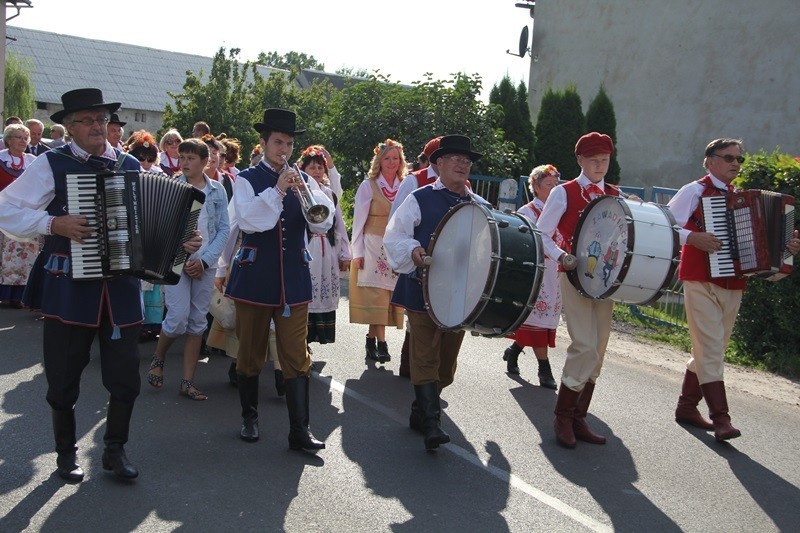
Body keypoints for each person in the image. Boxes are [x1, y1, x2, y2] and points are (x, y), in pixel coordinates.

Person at [0, 88, 200, 482]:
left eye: (101, 119)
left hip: (121, 291)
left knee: (125, 379)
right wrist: (51, 223)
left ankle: (114, 450)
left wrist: (179, 242)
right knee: (63, 379)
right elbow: (6, 208)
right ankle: (65, 454)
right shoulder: (52, 164)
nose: (96, 126)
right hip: (69, 289)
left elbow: (151, 224)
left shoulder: (130, 165)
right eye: (87, 120)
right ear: (70, 127)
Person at [667, 138, 800, 441]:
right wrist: (693, 239)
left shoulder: (743, 197)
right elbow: (664, 225)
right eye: (729, 158)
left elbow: (762, 249)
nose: (735, 164)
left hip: (734, 283)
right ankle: (721, 418)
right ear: (710, 160)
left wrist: (786, 248)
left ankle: (687, 407)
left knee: (712, 349)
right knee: (711, 348)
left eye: (739, 159)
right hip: (699, 277)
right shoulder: (695, 191)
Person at [225, 108, 334, 449]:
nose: (283, 149)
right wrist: (276, 189)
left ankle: (299, 432)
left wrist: (309, 193)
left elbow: (321, 224)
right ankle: (249, 418)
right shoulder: (246, 179)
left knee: (296, 355)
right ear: (263, 143)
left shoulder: (307, 180)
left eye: (288, 143)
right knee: (251, 354)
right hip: (255, 278)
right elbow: (249, 221)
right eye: (277, 142)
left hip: (294, 280)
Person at [385, 134, 486, 450]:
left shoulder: (481, 207)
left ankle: (419, 411)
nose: (461, 164)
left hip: (460, 297)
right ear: (438, 163)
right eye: (455, 158)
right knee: (424, 355)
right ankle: (431, 424)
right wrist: (414, 251)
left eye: (466, 160)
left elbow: (487, 255)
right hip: (422, 289)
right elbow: (395, 236)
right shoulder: (419, 198)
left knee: (446, 366)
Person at [535, 131, 619, 449]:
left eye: (605, 160)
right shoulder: (564, 193)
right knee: (584, 344)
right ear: (580, 160)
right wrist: (562, 256)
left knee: (598, 350)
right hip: (574, 275)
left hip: (607, 280)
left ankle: (579, 417)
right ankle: (563, 416)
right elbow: (541, 233)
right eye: (594, 160)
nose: (600, 166)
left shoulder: (614, 194)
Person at [146, 138, 229, 401]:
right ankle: (158, 357)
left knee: (196, 323)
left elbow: (223, 229)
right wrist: (183, 250)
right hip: (177, 263)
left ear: (206, 162)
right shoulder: (173, 186)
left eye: (191, 158)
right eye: (182, 158)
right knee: (178, 316)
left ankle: (187, 381)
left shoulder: (217, 190)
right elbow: (161, 226)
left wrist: (204, 261)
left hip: (205, 264)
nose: (185, 163)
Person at [501, 164, 561, 389]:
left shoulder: (559, 210)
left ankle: (513, 351)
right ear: (535, 186)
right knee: (536, 321)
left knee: (542, 321)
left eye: (556, 185)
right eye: (548, 184)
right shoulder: (527, 212)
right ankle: (544, 369)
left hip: (555, 273)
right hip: (535, 273)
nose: (554, 189)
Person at [349, 138, 407, 363]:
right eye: (387, 158)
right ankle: (382, 343)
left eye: (396, 158)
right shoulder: (369, 185)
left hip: (394, 247)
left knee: (386, 296)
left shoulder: (404, 185)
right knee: (378, 296)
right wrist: (358, 252)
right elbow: (358, 221)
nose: (392, 162)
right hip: (372, 245)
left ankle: (370, 340)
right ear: (379, 161)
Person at [389, 136, 441, 378]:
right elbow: (396, 219)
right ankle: (410, 366)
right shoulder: (414, 181)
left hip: (445, 264)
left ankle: (424, 369)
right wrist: (405, 252)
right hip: (418, 258)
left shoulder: (464, 185)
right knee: (417, 313)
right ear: (435, 159)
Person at [297, 145, 352, 346]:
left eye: (320, 168)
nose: (317, 172)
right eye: (312, 168)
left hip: (326, 249)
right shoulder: (299, 192)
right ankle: (301, 340)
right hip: (308, 246)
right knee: (307, 291)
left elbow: (339, 224)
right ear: (303, 170)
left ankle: (317, 336)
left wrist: (344, 253)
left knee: (323, 289)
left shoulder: (329, 193)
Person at [0, 123, 38, 307]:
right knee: (4, 255)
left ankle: (20, 295)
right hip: (3, 214)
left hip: (26, 214)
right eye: (19, 137)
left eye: (26, 138)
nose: (23, 141)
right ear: (8, 140)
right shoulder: (0, 159)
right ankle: (5, 293)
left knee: (26, 255)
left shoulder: (33, 161)